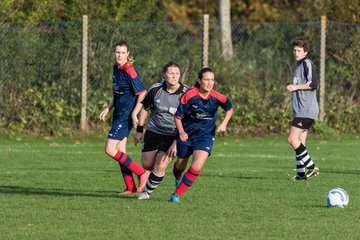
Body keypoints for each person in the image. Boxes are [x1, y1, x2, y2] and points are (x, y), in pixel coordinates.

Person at [169, 67, 233, 203]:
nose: (210, 83)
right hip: (187, 135)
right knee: (180, 166)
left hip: (205, 136)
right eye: (206, 80)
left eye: (212, 80)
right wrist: (181, 132)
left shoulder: (217, 96)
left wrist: (224, 123)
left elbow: (229, 107)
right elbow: (178, 116)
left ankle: (176, 195)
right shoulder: (190, 95)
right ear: (199, 80)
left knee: (197, 165)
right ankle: (178, 176)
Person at [99, 40, 150, 194]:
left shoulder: (130, 70)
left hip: (126, 115)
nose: (119, 55)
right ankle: (130, 187)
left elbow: (142, 93)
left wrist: (135, 113)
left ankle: (143, 173)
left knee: (110, 149)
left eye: (122, 52)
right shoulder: (116, 68)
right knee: (121, 150)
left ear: (128, 54)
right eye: (117, 52)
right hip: (118, 113)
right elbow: (117, 93)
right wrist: (108, 108)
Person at [134, 61, 188, 200]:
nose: (174, 76)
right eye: (171, 73)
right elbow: (145, 109)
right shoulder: (156, 89)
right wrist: (140, 130)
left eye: (177, 74)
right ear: (164, 75)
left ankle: (146, 192)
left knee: (161, 164)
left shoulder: (186, 93)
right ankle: (152, 178)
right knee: (147, 164)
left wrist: (177, 141)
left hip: (172, 134)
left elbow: (189, 119)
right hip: (153, 130)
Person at [286, 38, 320, 181]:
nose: (296, 53)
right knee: (300, 142)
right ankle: (301, 174)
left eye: (299, 50)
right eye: (294, 50)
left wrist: (295, 87)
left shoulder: (307, 63)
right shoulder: (299, 66)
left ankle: (312, 167)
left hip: (306, 110)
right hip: (301, 110)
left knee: (292, 139)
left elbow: (313, 84)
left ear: (305, 52)